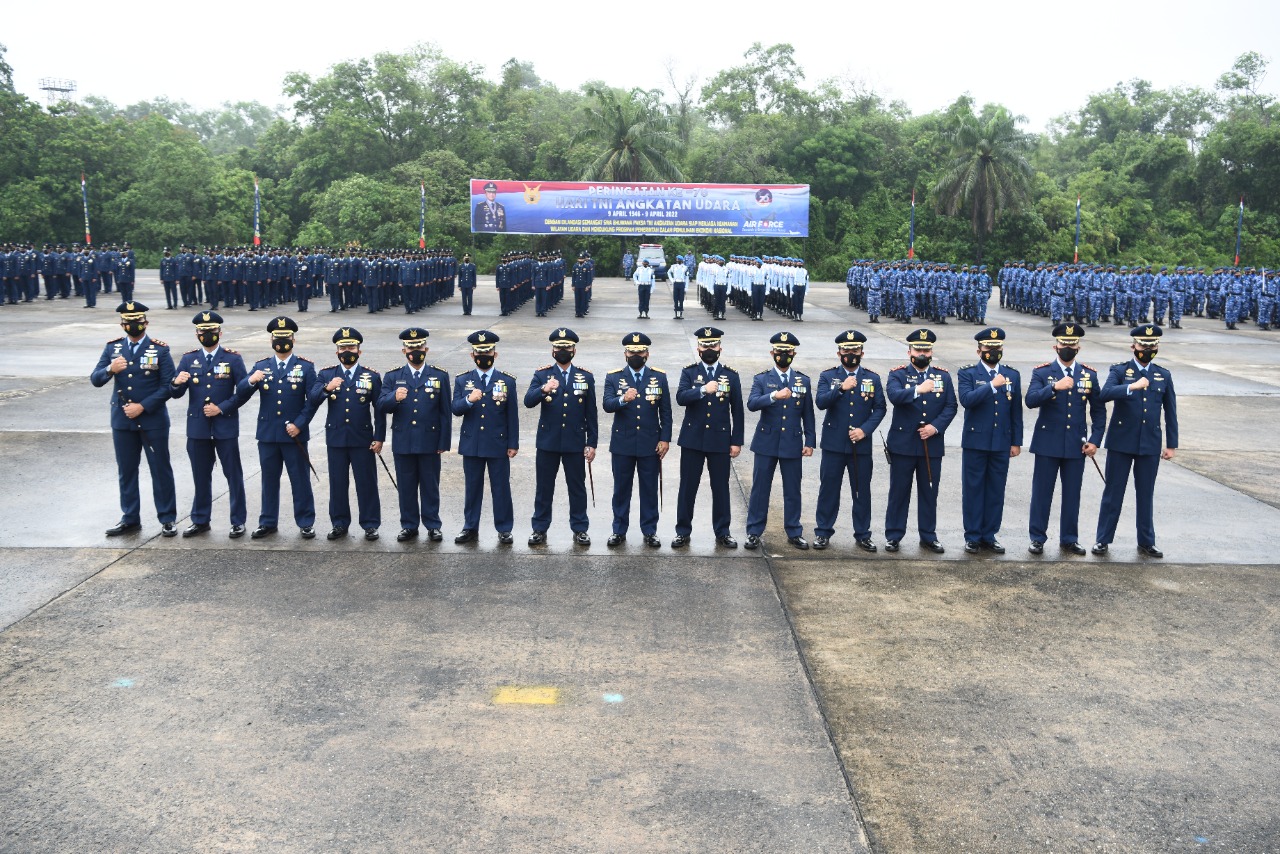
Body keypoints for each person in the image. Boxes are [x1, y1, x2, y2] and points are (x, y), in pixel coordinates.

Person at [90, 301, 179, 537]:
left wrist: (143, 406)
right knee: (127, 470)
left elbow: (168, 386)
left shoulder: (160, 349)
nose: (132, 325)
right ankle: (130, 518)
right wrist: (110, 369)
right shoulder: (113, 348)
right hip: (123, 420)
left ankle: (167, 518)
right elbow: (96, 379)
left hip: (152, 420)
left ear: (145, 323)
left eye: (137, 322)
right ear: (122, 324)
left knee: (160, 470)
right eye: (127, 322)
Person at [1093, 325, 1178, 558]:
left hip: (1149, 443)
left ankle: (1146, 541)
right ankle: (1102, 540)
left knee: (1145, 494)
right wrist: (1131, 386)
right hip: (1121, 442)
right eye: (1143, 345)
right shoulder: (1120, 370)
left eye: (1152, 346)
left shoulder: (1163, 374)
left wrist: (1171, 445)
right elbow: (1105, 393)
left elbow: (1171, 412)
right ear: (1133, 346)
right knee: (1113, 492)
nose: (1147, 349)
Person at [234, 316, 319, 539]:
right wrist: (251, 379)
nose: (282, 341)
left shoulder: (305, 366)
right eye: (278, 337)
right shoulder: (262, 366)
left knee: (300, 480)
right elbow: (241, 393)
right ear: (271, 339)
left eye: (286, 337)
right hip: (268, 435)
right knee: (269, 480)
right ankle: (268, 521)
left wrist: (300, 425)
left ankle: (306, 521)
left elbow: (312, 402)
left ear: (293, 339)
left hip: (294, 436)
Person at [1024, 323, 1105, 555]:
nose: (1067, 347)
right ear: (1055, 346)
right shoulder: (1042, 372)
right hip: (1047, 444)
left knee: (1072, 494)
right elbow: (1030, 401)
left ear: (1078, 347)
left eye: (1072, 344)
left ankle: (1069, 538)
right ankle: (1037, 538)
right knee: (1042, 493)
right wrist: (1054, 387)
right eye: (1063, 344)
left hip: (1075, 445)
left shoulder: (1089, 374)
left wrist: (1095, 440)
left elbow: (1098, 412)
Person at [170, 311, 249, 538]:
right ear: (197, 334)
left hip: (225, 426)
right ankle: (200, 520)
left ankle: (237, 521)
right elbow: (176, 392)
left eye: (211, 331)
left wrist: (222, 408)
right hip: (198, 428)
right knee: (200, 476)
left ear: (220, 333)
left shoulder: (233, 359)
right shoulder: (188, 359)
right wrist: (176, 383)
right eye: (202, 332)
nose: (207, 335)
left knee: (233, 475)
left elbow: (244, 392)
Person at [883, 328, 958, 553]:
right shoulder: (898, 374)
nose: (922, 353)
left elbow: (951, 406)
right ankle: (894, 535)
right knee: (899, 492)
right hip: (903, 444)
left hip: (931, 445)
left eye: (926, 349)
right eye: (918, 349)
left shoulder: (943, 376)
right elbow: (894, 396)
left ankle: (928, 535)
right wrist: (918, 389)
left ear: (932, 351)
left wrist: (936, 427)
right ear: (909, 352)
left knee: (929, 492)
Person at [375, 327, 452, 542]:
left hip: (430, 440)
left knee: (430, 485)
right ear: (404, 351)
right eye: (411, 347)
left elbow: (445, 411)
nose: (415, 350)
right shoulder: (393, 376)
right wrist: (394, 398)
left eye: (419, 346)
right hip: (404, 440)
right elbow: (381, 405)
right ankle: (409, 525)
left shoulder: (439, 375)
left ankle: (433, 524)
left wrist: (444, 441)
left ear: (426, 348)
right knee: (406, 486)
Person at [309, 328, 386, 541]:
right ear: (336, 352)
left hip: (363, 439)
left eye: (351, 347)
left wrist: (379, 437)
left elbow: (379, 410)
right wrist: (327, 388)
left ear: (359, 351)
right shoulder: (327, 374)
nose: (347, 351)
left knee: (366, 483)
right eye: (342, 348)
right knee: (337, 483)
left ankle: (370, 524)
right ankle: (339, 523)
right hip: (336, 439)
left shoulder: (371, 376)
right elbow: (313, 398)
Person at [671, 326, 744, 549]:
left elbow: (738, 411)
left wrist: (736, 441)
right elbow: (681, 397)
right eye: (705, 345)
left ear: (720, 347)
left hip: (719, 440)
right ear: (698, 348)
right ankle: (683, 531)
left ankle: (723, 531)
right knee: (688, 487)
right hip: (693, 439)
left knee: (721, 487)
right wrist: (702, 390)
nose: (709, 349)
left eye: (713, 345)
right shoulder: (689, 372)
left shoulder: (731, 375)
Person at [813, 330, 886, 551]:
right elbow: (821, 402)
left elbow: (880, 408)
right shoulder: (828, 376)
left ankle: (863, 534)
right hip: (834, 444)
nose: (850, 354)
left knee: (861, 490)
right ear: (839, 353)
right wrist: (840, 388)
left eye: (855, 350)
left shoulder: (872, 378)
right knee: (829, 489)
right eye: (846, 350)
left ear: (862, 352)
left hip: (860, 445)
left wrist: (865, 431)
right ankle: (823, 532)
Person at [524, 329, 597, 546]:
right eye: (559, 348)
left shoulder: (586, 376)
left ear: (574, 350)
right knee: (544, 488)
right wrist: (544, 389)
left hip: (575, 442)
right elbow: (528, 401)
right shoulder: (542, 375)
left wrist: (591, 442)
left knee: (577, 488)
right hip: (548, 442)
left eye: (566, 348)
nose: (562, 351)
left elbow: (591, 413)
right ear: (552, 350)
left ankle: (580, 528)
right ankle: (539, 528)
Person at [744, 332, 816, 550]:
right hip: (766, 442)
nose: (783, 355)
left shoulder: (803, 380)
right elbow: (752, 403)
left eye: (787, 352)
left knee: (792, 490)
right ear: (772, 353)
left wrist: (810, 441)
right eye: (779, 351)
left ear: (793, 353)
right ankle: (754, 532)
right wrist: (774, 396)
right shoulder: (762, 379)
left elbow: (808, 414)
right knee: (760, 489)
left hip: (792, 442)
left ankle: (794, 531)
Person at [957, 327, 1024, 554]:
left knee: (996, 490)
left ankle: (989, 535)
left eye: (997, 348)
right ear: (979, 351)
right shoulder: (968, 374)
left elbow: (1016, 412)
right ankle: (973, 536)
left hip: (1000, 442)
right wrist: (991, 386)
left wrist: (1016, 442)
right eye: (988, 348)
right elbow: (967, 400)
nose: (993, 351)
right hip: (976, 442)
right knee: (973, 490)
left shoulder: (1012, 375)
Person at [602, 332, 671, 547]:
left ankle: (650, 531)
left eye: (640, 351)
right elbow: (606, 405)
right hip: (622, 444)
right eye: (632, 351)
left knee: (649, 489)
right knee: (621, 489)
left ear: (647, 354)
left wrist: (665, 439)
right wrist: (623, 398)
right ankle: (618, 530)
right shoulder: (613, 377)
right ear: (625, 353)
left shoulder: (659, 377)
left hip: (650, 444)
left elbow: (666, 412)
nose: (636, 355)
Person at [451, 330, 519, 544]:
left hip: (498, 443)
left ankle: (504, 528)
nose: (484, 355)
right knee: (472, 487)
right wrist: (469, 400)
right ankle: (470, 527)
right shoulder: (463, 380)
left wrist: (513, 443)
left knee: (501, 487)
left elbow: (512, 415)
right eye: (479, 352)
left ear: (495, 354)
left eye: (488, 351)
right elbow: (455, 408)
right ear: (472, 355)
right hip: (472, 443)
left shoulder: (506, 381)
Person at [668, 255, 689, 319]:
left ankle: (680, 312)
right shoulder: (673, 266)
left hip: (682, 283)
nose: (678, 261)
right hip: (676, 283)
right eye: (677, 259)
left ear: (682, 260)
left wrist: (686, 287)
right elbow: (668, 272)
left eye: (679, 260)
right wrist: (672, 280)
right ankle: (676, 312)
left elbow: (687, 278)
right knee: (676, 299)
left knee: (681, 299)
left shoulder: (685, 267)